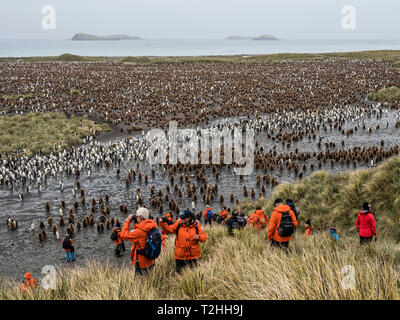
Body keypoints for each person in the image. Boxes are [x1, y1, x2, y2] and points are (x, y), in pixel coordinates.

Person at [160, 209, 207, 273]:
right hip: (180, 256)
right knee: (180, 273)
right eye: (181, 218)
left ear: (189, 218)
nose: (182, 219)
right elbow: (169, 229)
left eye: (184, 218)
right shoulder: (178, 224)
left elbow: (204, 238)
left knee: (193, 273)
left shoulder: (196, 226)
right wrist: (162, 223)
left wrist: (199, 237)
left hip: (193, 256)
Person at [119, 207, 159, 275]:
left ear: (140, 217)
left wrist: (127, 221)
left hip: (141, 263)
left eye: (137, 216)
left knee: (141, 284)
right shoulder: (153, 226)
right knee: (149, 280)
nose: (136, 218)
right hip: (151, 260)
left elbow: (123, 235)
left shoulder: (139, 232)